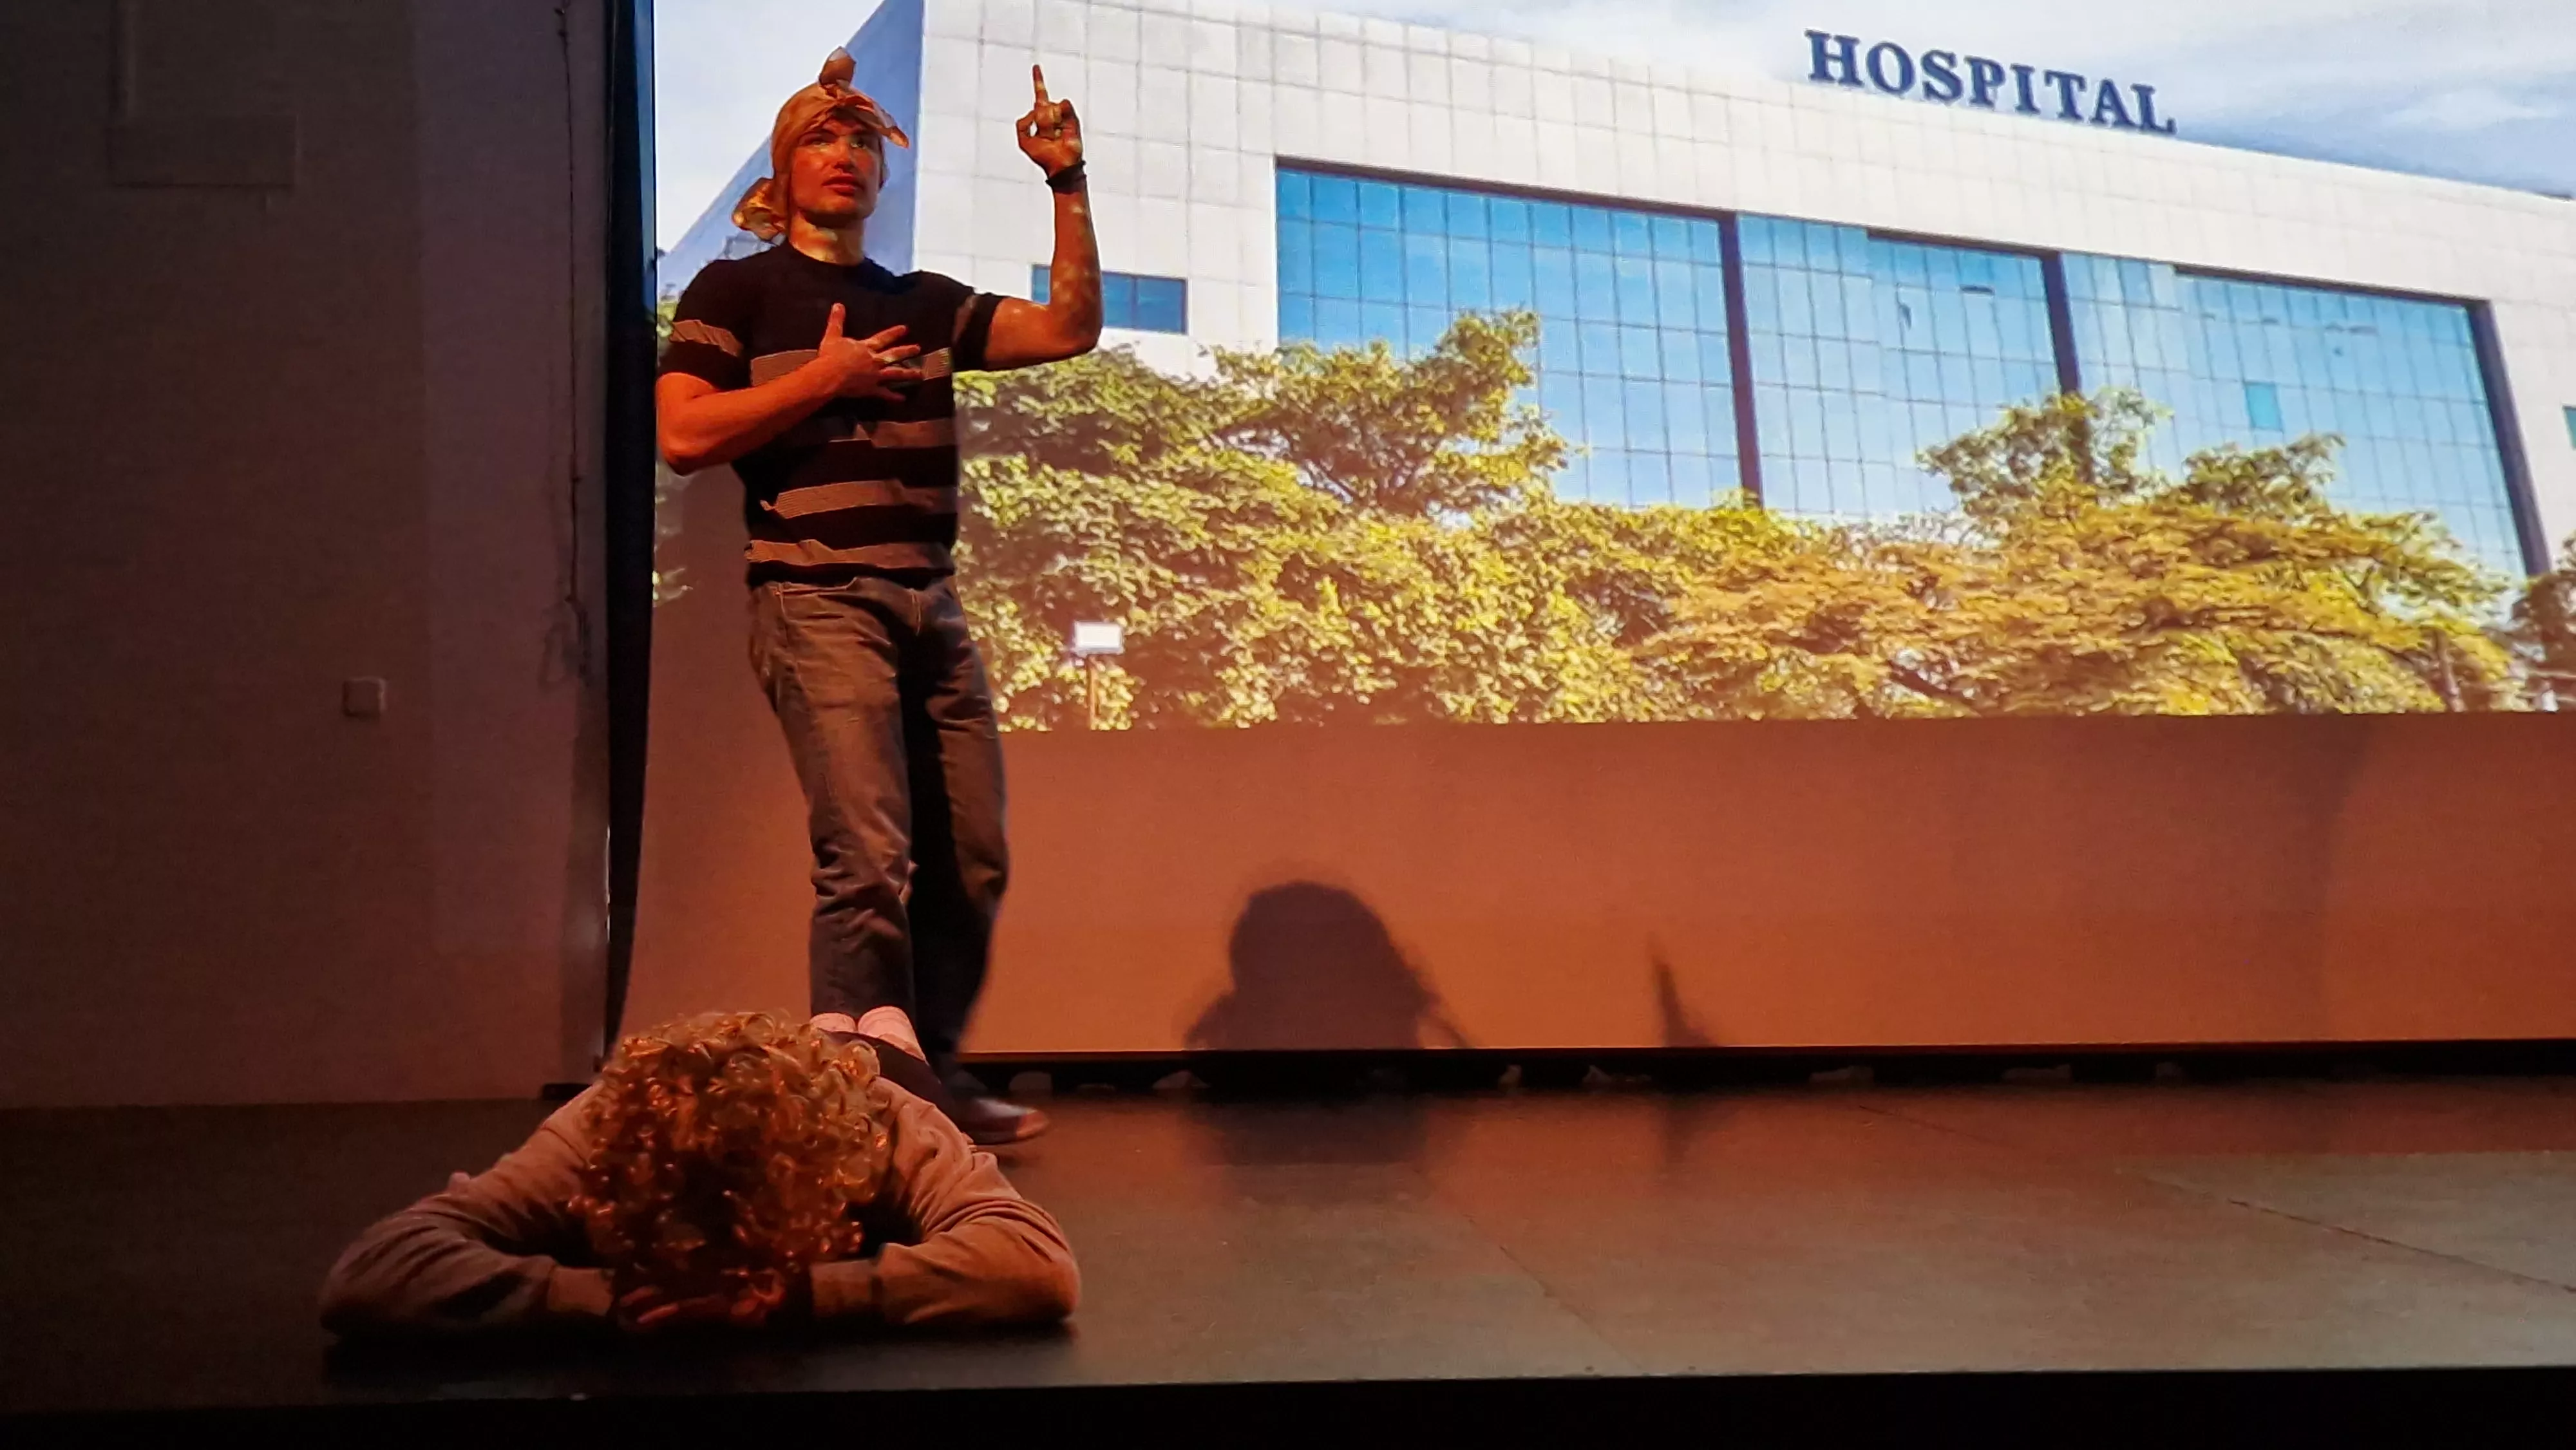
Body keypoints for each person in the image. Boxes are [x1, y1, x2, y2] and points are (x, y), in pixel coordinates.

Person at [655, 51, 1101, 1145]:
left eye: (860, 140)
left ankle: (924, 1077)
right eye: (822, 136)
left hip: (929, 603)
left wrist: (1068, 181)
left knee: (971, 854)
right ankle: (848, 1104)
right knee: (866, 855)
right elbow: (681, 436)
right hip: (816, 597)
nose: (845, 154)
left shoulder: (924, 304)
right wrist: (824, 377)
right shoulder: (736, 289)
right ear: (783, 168)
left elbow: (1069, 330)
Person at [319, 1012, 1078, 1336]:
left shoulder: (879, 1116)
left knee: (875, 1033)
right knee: (837, 1026)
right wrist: (595, 1298)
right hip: (770, 1073)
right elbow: (376, 1271)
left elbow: (1034, 1265)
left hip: (882, 1071)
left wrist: (801, 1293)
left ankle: (862, 1026)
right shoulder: (604, 1123)